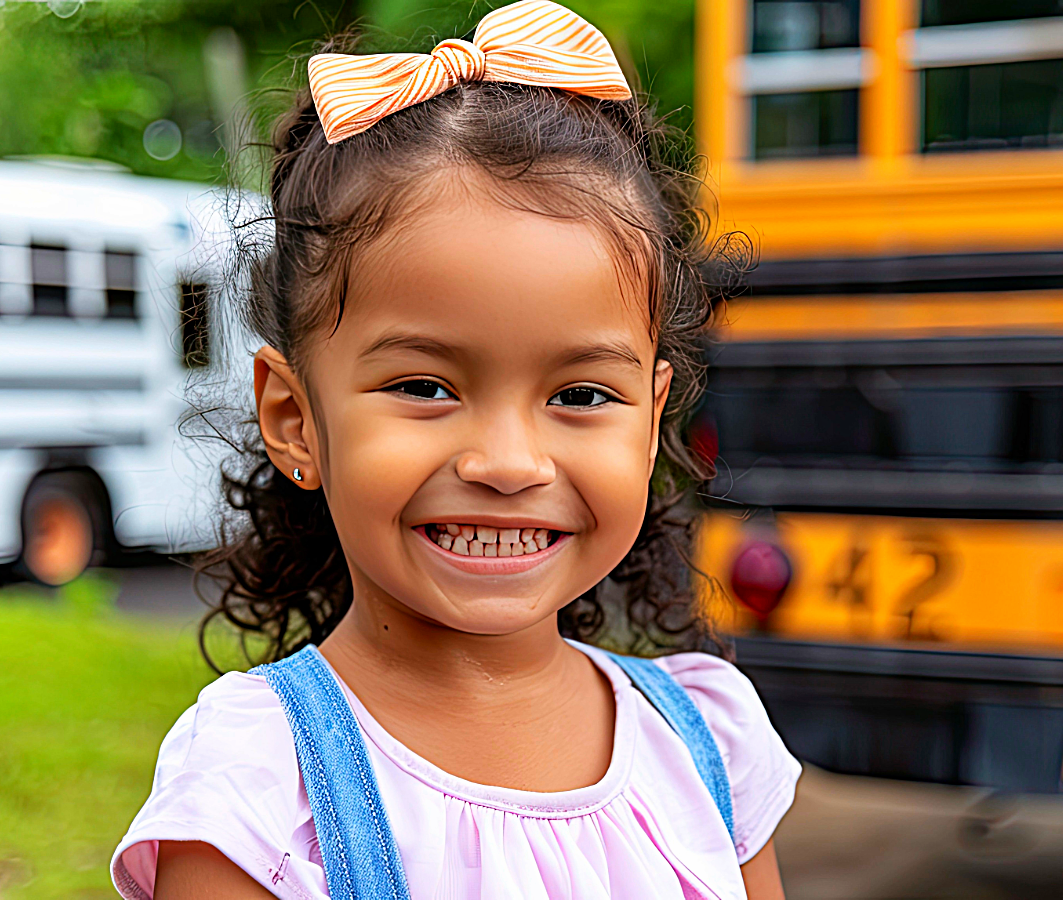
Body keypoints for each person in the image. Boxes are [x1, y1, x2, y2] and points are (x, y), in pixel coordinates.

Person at [111, 2, 800, 897]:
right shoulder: (258, 788)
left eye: (581, 396)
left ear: (652, 414)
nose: (509, 462)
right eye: (425, 388)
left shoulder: (709, 747)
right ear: (295, 418)